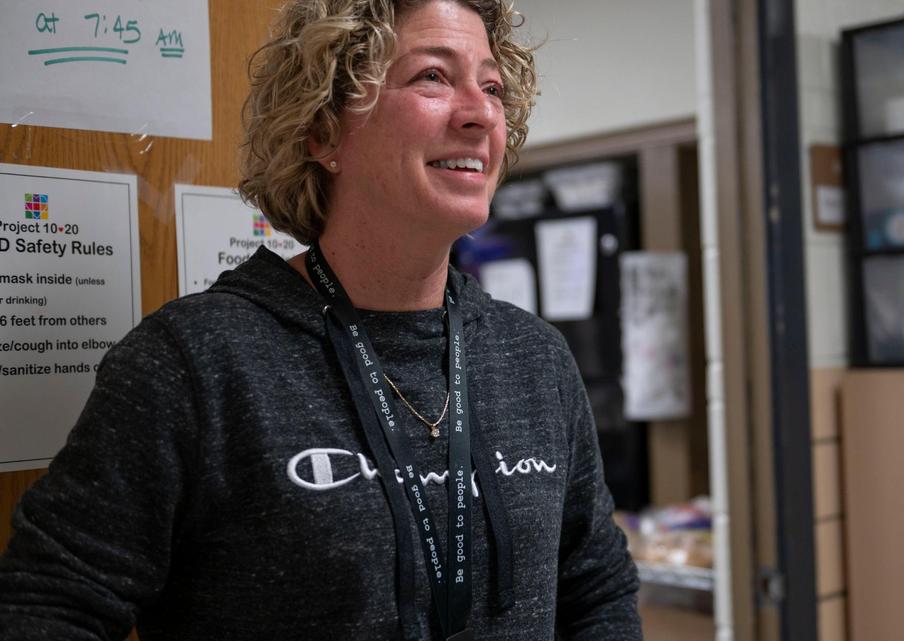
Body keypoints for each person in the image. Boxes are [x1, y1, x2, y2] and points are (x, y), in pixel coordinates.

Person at [0, 0, 643, 639]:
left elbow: (597, 591)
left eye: (493, 86)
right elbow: (49, 605)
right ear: (325, 132)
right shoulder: (197, 362)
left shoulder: (534, 357)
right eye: (433, 77)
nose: (480, 114)